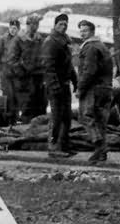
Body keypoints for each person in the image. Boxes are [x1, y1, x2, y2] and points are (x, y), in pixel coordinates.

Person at [74, 19, 114, 165]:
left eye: (85, 31)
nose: (82, 33)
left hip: (93, 88)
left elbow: (89, 71)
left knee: (86, 116)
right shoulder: (102, 46)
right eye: (81, 31)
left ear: (92, 31)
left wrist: (80, 88)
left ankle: (99, 145)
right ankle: (101, 153)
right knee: (100, 120)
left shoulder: (90, 48)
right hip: (106, 88)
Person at [41, 12, 78, 159]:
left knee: (66, 117)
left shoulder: (65, 41)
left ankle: (64, 145)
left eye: (65, 24)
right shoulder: (50, 42)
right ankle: (53, 146)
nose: (63, 27)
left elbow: (69, 65)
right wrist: (55, 87)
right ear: (55, 25)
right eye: (60, 24)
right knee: (56, 118)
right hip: (55, 87)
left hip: (65, 85)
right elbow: (48, 67)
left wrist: (75, 81)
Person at [11, 13, 47, 122]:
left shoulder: (39, 39)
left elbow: (44, 56)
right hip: (25, 80)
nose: (36, 26)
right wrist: (21, 74)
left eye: (37, 24)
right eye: (34, 24)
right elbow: (12, 60)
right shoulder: (18, 39)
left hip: (39, 78)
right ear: (28, 24)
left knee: (41, 107)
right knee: (27, 108)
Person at [0, 18, 19, 125]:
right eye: (11, 28)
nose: (13, 30)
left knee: (16, 95)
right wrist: (1, 69)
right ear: (9, 28)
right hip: (6, 72)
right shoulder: (3, 40)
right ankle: (7, 120)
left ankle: (14, 119)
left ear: (18, 29)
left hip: (17, 72)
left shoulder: (21, 40)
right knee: (8, 95)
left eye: (15, 28)